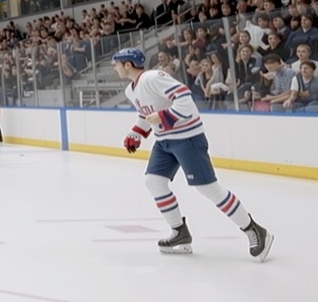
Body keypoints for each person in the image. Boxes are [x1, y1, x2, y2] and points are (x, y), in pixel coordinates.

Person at [111, 47, 273, 260]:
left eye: (116, 64)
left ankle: (254, 229)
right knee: (153, 181)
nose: (115, 68)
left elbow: (185, 98)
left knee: (208, 189)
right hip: (164, 142)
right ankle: (179, 232)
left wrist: (163, 116)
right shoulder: (131, 90)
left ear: (127, 64)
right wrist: (137, 132)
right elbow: (145, 115)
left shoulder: (152, 77)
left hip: (187, 139)